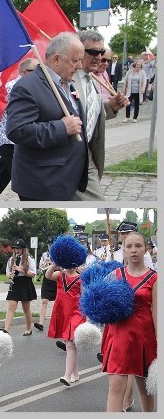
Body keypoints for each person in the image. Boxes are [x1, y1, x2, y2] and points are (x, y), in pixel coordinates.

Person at [6, 32, 87, 201]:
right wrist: (61, 128)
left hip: (65, 178)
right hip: (43, 183)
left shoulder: (67, 82)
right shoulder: (27, 87)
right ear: (56, 59)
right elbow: (17, 130)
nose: (80, 65)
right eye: (75, 60)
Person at [101, 232, 157, 412]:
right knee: (116, 386)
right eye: (129, 246)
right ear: (123, 251)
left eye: (138, 246)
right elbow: (102, 305)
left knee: (146, 389)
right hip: (118, 336)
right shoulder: (114, 275)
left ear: (146, 249)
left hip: (144, 337)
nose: (134, 250)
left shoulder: (155, 278)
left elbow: (157, 313)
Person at [72, 30, 127, 201]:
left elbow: (88, 112)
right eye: (93, 52)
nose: (99, 57)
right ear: (79, 52)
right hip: (67, 157)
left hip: (86, 156)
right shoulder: (68, 78)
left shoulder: (91, 79)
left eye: (101, 52)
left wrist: (110, 107)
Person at [0, 58, 38, 201]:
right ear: (25, 72)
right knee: (21, 178)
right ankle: (30, 206)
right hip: (8, 139)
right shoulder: (14, 87)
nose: (40, 75)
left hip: (17, 140)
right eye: (37, 71)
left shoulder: (29, 86)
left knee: (2, 176)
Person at [44, 256, 86, 386]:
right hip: (62, 313)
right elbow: (47, 275)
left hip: (76, 314)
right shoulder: (59, 275)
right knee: (70, 345)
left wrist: (87, 319)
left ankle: (67, 376)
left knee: (70, 343)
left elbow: (84, 298)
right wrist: (55, 263)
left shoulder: (80, 278)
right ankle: (75, 373)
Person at [2, 239, 37, 334]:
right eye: (15, 249)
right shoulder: (12, 259)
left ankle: (29, 328)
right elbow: (7, 273)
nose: (17, 251)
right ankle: (6, 329)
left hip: (25, 282)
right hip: (15, 282)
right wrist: (10, 275)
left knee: (26, 308)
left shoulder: (29, 258)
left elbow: (33, 273)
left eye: (19, 249)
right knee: (11, 306)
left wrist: (21, 270)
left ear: (23, 249)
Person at [34, 237, 57, 331]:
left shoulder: (59, 254)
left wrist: (52, 263)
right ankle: (41, 323)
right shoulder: (44, 254)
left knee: (57, 302)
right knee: (44, 301)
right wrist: (43, 265)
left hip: (56, 277)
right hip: (47, 278)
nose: (50, 245)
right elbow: (40, 266)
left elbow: (63, 267)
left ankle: (56, 322)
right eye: (49, 244)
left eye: (52, 243)